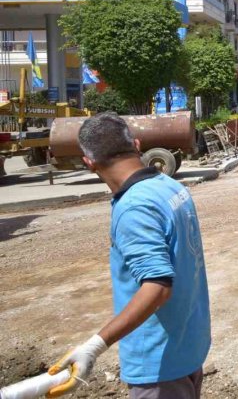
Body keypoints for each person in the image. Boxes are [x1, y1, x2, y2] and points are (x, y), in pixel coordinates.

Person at [47, 112, 210, 398]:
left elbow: (157, 288)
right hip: (187, 347)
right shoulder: (169, 186)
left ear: (89, 163)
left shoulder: (134, 207)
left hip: (158, 363)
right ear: (136, 144)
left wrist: (95, 346)